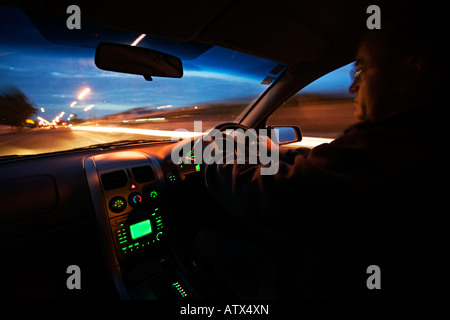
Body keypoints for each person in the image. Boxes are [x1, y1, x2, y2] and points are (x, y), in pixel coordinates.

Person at [192, 10, 450, 299]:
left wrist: (218, 158)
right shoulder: (419, 137)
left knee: (205, 240)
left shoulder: (386, 147)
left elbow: (266, 195)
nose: (353, 87)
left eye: (362, 71)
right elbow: (327, 167)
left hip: (319, 284)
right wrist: (275, 153)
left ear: (410, 72)